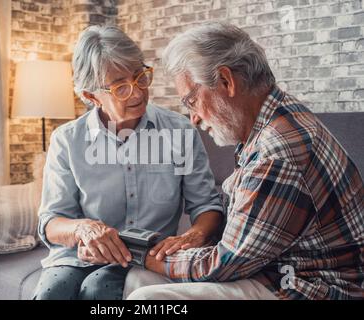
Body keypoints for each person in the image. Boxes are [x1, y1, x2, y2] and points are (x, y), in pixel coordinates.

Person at [126, 23, 364, 300]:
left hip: (309, 288)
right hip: (274, 271)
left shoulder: (278, 153)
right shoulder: (271, 118)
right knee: (139, 280)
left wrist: (138, 252)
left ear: (226, 81)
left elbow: (225, 263)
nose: (193, 118)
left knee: (147, 299)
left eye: (191, 100)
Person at [33, 25, 224, 300]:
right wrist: (83, 229)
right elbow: (51, 222)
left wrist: (191, 237)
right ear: (91, 96)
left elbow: (207, 206)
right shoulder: (67, 140)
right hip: (77, 257)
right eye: (121, 87)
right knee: (53, 293)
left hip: (145, 257)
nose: (137, 93)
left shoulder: (178, 131)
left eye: (140, 77)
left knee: (99, 289)